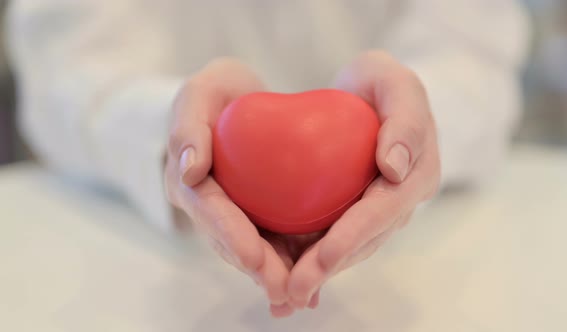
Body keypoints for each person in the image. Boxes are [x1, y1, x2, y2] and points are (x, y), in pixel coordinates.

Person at [5, 0, 530, 318]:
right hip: (135, 267)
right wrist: (172, 129)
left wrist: (416, 117)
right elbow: (61, 73)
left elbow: (475, 57)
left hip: (421, 270)